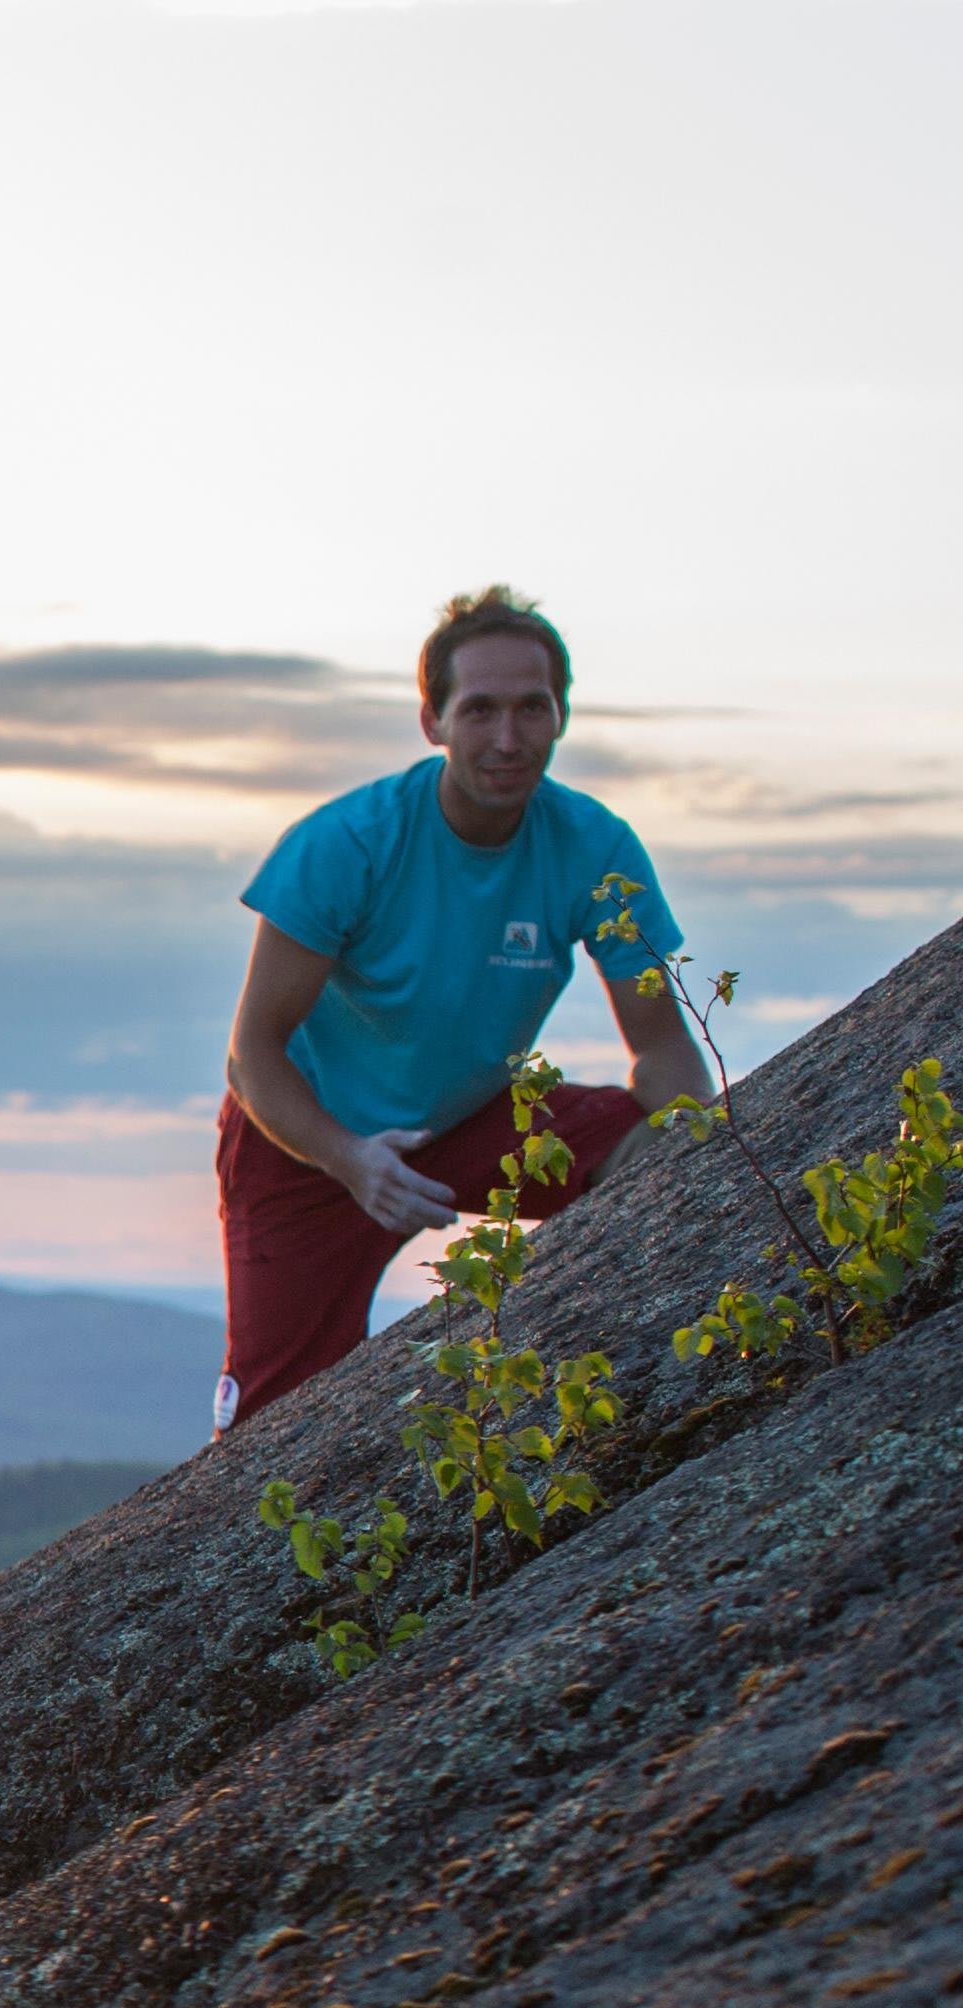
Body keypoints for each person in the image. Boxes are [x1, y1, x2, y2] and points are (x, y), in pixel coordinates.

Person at [214, 584, 711, 1433]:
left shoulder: (594, 847)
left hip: (473, 1118)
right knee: (276, 1430)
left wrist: (711, 1173)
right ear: (432, 722)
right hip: (305, 1146)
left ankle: (599, 1388)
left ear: (561, 718)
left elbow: (662, 1048)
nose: (508, 739)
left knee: (647, 1141)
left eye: (532, 709)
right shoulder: (349, 845)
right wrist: (352, 1161)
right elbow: (251, 1055)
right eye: (479, 710)